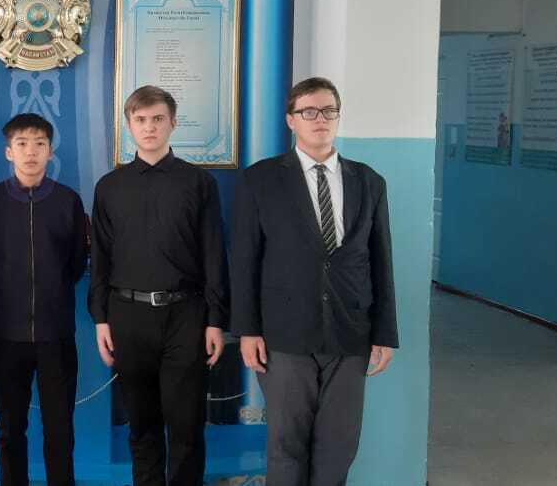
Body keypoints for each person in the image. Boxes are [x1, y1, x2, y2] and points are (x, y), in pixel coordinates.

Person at [230, 76, 399, 486]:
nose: (319, 119)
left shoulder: (369, 181)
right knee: (287, 444)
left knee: (338, 447)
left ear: (338, 117)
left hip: (350, 333)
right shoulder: (260, 180)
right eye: (308, 112)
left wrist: (385, 333)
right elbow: (244, 260)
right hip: (284, 334)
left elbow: (381, 261)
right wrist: (247, 330)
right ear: (291, 120)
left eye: (328, 111)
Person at [88, 85, 228, 486]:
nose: (149, 127)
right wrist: (101, 319)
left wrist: (216, 320)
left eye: (157, 119)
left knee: (187, 426)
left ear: (173, 123)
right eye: (140, 120)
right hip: (127, 315)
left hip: (186, 315)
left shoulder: (199, 183)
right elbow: (101, 257)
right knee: (142, 426)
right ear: (129, 125)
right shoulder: (109, 187)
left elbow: (214, 254)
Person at [0, 113, 88, 486]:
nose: (31, 152)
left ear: (50, 151)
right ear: (9, 152)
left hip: (57, 334)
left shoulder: (68, 201)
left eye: (39, 144)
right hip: (6, 334)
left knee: (59, 426)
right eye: (22, 144)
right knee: (10, 426)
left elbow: (76, 263)